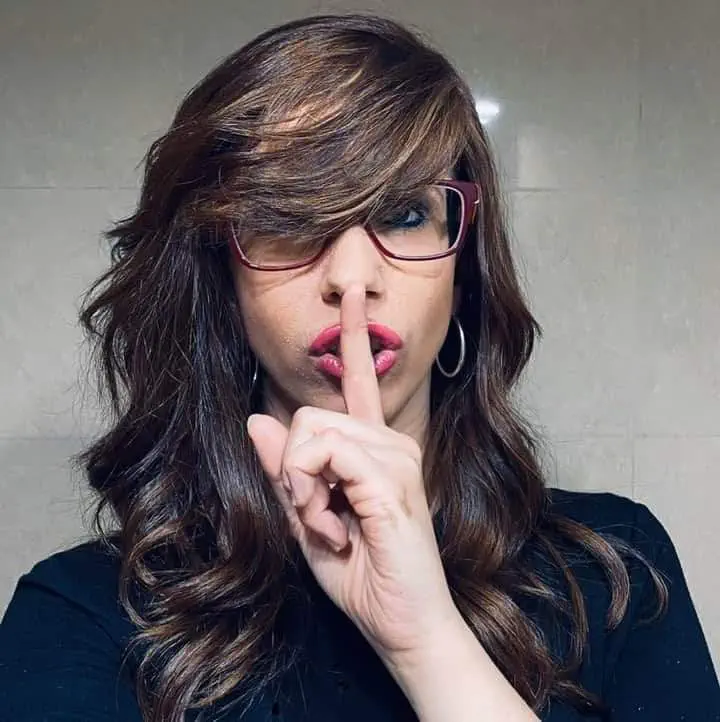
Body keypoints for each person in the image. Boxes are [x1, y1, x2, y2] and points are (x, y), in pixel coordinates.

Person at [1, 12, 718, 722]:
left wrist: (427, 642)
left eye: (404, 214)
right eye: (290, 219)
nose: (352, 278)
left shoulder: (619, 575)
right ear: (224, 282)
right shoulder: (81, 617)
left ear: (462, 274)